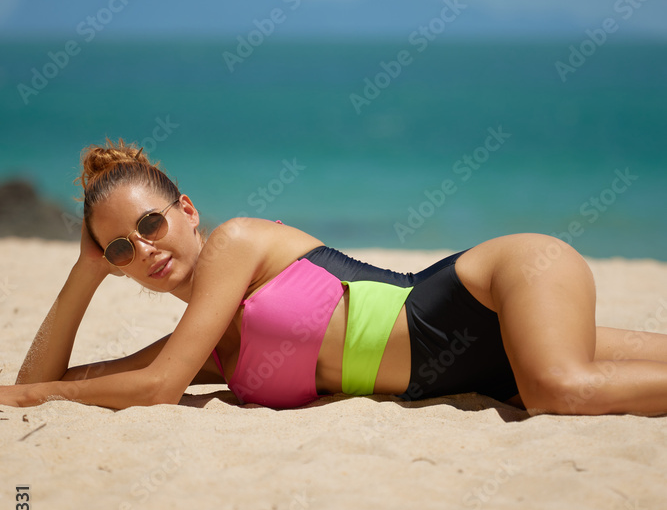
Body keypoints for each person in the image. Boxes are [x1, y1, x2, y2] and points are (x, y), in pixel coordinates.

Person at [3, 138, 667, 415]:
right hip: (487, 361)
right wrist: (81, 277)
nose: (143, 251)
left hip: (486, 286)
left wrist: (18, 400)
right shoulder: (204, 349)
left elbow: (152, 389)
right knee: (569, 375)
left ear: (187, 211)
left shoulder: (237, 243)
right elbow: (48, 384)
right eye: (119, 250)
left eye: (150, 225)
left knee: (558, 389)